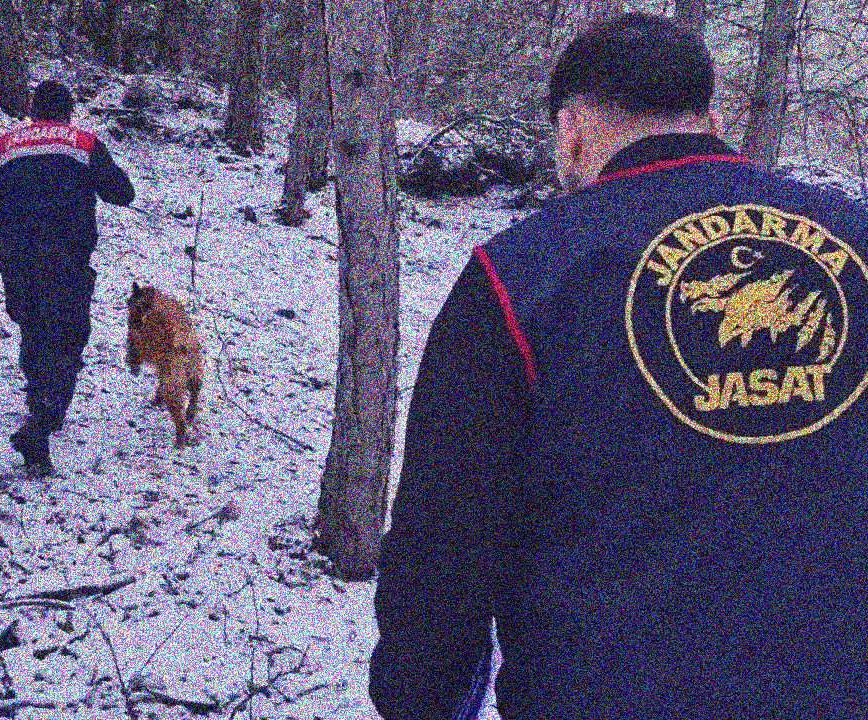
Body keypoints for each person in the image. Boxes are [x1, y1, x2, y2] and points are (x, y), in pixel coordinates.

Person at [370, 12, 868, 720]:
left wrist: (421, 700)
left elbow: (446, 544)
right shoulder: (856, 242)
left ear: (570, 131)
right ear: (710, 120)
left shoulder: (520, 278)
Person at [0, 80, 134, 476]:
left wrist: (8, 224)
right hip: (66, 255)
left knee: (34, 328)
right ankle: (42, 420)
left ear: (32, 109)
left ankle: (41, 408)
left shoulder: (7, 146)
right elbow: (122, 192)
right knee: (68, 336)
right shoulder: (83, 144)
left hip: (17, 254)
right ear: (68, 111)